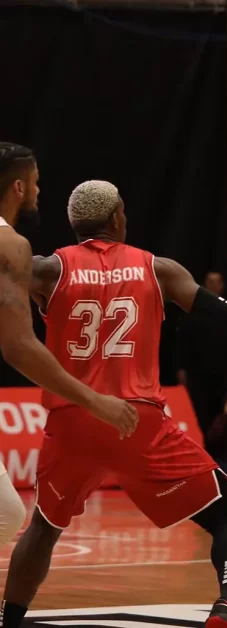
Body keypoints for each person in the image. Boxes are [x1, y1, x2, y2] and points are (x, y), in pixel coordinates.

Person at [1, 179, 227, 628]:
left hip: (74, 419)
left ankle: (9, 620)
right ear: (117, 218)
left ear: (74, 225)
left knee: (44, 528)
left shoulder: (47, 270)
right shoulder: (157, 269)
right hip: (139, 421)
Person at [0, 146, 136, 564]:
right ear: (20, 186)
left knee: (7, 513)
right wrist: (96, 401)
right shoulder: (10, 243)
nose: (39, 190)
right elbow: (19, 346)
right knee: (7, 515)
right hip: (93, 403)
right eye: (37, 181)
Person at [177, 270, 227, 439]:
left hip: (226, 372)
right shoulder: (193, 308)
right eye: (210, 282)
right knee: (201, 413)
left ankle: (226, 453)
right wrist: (181, 367)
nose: (214, 285)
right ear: (204, 284)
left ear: (222, 285)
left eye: (217, 282)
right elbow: (183, 340)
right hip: (199, 373)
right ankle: (204, 450)